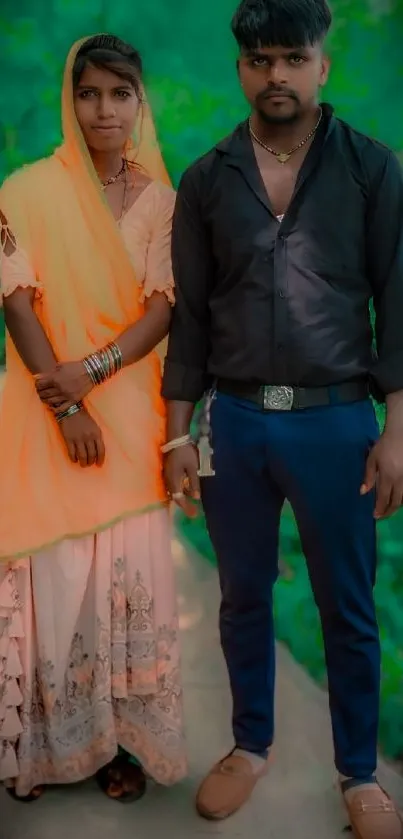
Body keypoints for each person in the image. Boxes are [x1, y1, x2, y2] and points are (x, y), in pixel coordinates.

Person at [162, 0, 403, 836]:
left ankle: (357, 773)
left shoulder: (373, 170)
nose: (276, 75)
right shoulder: (204, 180)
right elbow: (190, 317)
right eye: (260, 60)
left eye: (292, 59)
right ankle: (249, 745)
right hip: (235, 422)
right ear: (240, 69)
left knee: (347, 603)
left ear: (321, 65)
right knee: (240, 597)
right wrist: (178, 432)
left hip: (336, 423)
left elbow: (397, 307)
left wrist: (397, 429)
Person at [0, 34, 186, 802]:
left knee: (122, 577)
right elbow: (15, 296)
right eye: (89, 93)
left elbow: (163, 305)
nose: (103, 109)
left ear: (141, 102)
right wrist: (68, 399)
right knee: (53, 571)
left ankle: (118, 743)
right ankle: (41, 747)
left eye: (119, 93)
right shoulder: (26, 188)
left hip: (130, 413)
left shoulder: (162, 200)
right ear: (69, 102)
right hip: (46, 414)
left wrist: (98, 372)